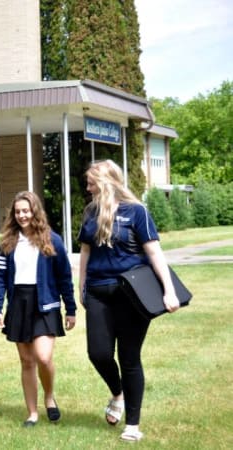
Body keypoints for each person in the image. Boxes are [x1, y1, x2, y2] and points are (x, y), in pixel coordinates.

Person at [78, 160, 179, 442]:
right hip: (98, 291)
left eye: (91, 182)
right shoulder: (91, 213)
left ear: (106, 181)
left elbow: (155, 253)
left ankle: (133, 425)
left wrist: (168, 290)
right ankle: (117, 393)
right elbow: (85, 252)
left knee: (129, 358)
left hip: (132, 295)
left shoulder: (137, 211)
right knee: (98, 353)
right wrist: (81, 286)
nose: (87, 187)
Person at [0, 191, 76, 428]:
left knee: (43, 356)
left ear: (35, 211)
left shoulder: (52, 240)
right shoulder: (7, 243)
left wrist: (71, 309)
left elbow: (64, 277)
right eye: (18, 212)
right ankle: (32, 413)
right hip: (19, 303)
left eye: (26, 211)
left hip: (45, 304)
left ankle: (49, 397)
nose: (22, 215)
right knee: (27, 361)